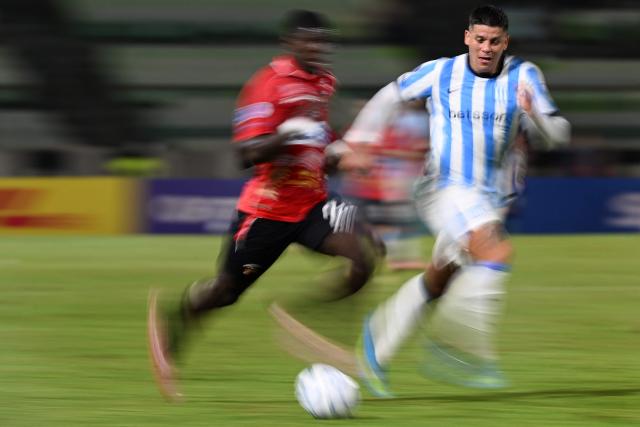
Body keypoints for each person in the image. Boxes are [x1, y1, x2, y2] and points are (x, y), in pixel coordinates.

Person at [147, 9, 379, 401]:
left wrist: (341, 151)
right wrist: (286, 135)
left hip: (313, 200)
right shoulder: (266, 85)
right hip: (269, 210)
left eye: (323, 41)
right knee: (225, 291)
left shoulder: (324, 82)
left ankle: (302, 319)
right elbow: (245, 154)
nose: (318, 48)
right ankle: (177, 321)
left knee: (363, 259)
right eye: (309, 41)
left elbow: (321, 139)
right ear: (289, 43)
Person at [340, 5, 571, 397]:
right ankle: (460, 351)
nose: (486, 48)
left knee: (440, 278)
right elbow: (390, 96)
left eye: (494, 41)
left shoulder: (524, 75)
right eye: (479, 39)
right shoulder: (441, 72)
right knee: (495, 252)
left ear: (505, 42)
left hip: (491, 198)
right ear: (467, 37)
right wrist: (358, 140)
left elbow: (558, 135)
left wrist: (538, 117)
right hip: (444, 188)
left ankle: (375, 342)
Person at [341, 100, 430, 271]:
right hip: (372, 185)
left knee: (387, 224)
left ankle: (396, 260)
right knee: (370, 224)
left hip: (381, 185)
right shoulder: (370, 133)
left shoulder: (390, 130)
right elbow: (358, 156)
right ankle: (392, 260)